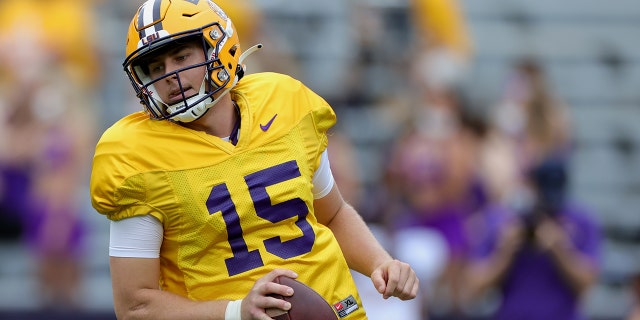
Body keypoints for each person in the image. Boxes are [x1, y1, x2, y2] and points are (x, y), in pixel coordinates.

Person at [89, 1, 419, 320]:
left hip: (332, 309)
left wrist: (380, 263)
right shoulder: (135, 155)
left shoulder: (284, 102)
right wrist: (235, 312)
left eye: (181, 56)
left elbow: (331, 214)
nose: (170, 76)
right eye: (156, 67)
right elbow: (135, 306)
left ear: (218, 47)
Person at [463, 155, 601, 320]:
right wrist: (505, 252)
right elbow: (475, 286)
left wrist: (559, 248)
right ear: (531, 185)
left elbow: (587, 283)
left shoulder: (581, 220)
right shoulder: (505, 219)